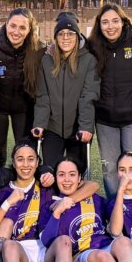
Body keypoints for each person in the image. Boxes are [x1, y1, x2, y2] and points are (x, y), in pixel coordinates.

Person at [85, 4, 132, 197]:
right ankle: (116, 213)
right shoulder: (93, 46)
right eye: (105, 22)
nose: (110, 26)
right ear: (99, 25)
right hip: (105, 121)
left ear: (123, 21)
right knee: (111, 171)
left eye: (115, 21)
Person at [31, 12, 99, 173]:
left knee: (76, 174)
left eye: (70, 33)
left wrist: (86, 126)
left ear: (77, 36)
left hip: (77, 129)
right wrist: (40, 124)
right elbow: (43, 96)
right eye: (61, 34)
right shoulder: (47, 60)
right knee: (50, 172)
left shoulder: (89, 60)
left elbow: (88, 96)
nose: (66, 38)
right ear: (55, 38)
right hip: (53, 128)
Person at [0, 8, 44, 164]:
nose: (16, 31)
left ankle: (23, 187)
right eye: (13, 26)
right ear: (6, 24)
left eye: (22, 28)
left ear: (29, 30)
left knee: (26, 152)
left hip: (24, 107)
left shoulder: (38, 49)